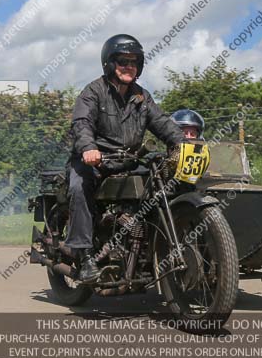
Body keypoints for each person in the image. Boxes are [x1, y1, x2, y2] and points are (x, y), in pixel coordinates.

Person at [66, 34, 185, 283]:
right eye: (122, 61)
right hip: (95, 161)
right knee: (79, 187)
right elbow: (82, 122)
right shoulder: (93, 92)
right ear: (109, 63)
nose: (128, 66)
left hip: (129, 161)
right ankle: (84, 255)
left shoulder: (141, 96)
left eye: (134, 62)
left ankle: (145, 244)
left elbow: (162, 123)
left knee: (162, 182)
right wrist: (88, 147)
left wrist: (185, 143)